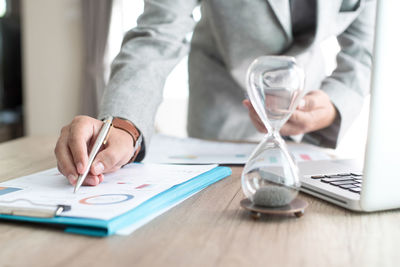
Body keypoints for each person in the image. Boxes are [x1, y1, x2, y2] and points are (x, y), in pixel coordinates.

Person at [55, 0, 376, 186]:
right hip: (223, 104)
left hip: (306, 97)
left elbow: (364, 51)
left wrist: (334, 104)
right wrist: (124, 122)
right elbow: (158, 34)